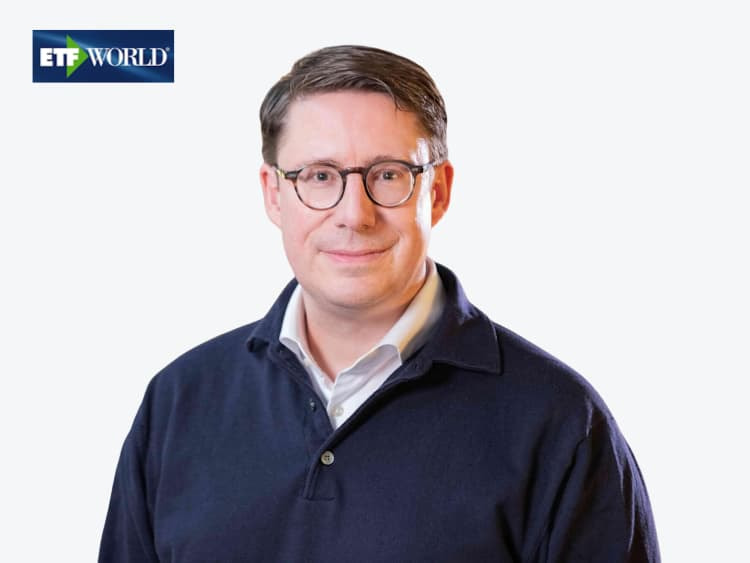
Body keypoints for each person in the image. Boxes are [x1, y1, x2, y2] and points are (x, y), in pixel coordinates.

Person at [99, 45, 660, 562]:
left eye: (388, 175)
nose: (354, 214)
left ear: (438, 191)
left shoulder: (560, 422)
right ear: (274, 194)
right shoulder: (178, 402)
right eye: (320, 176)